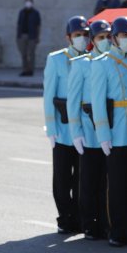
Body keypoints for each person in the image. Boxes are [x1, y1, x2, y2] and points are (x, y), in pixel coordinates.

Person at [91, 17, 127, 248]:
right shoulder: (101, 63)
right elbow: (98, 102)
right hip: (116, 130)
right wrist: (103, 133)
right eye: (124, 36)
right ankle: (117, 231)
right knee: (118, 184)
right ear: (114, 38)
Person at [43, 16, 90, 234]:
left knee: (82, 176)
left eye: (85, 35)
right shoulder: (56, 59)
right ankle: (64, 216)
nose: (82, 38)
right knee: (62, 177)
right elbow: (49, 96)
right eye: (77, 35)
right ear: (68, 37)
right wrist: (51, 129)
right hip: (62, 129)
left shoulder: (93, 60)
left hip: (85, 128)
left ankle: (80, 217)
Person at [68, 20, 111, 240]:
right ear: (92, 41)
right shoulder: (81, 64)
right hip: (88, 128)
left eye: (107, 37)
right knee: (89, 180)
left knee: (107, 180)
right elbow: (72, 101)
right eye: (100, 37)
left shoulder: (113, 62)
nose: (105, 41)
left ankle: (106, 221)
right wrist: (76, 131)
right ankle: (89, 223)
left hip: (110, 128)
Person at [16, 0, 41, 76]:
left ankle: (31, 70)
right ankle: (25, 69)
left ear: (32, 3)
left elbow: (38, 26)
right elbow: (19, 24)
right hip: (22, 35)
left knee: (31, 53)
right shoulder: (21, 12)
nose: (28, 3)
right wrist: (17, 36)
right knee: (23, 54)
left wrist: (38, 37)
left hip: (32, 36)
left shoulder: (35, 13)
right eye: (27, 1)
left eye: (29, 1)